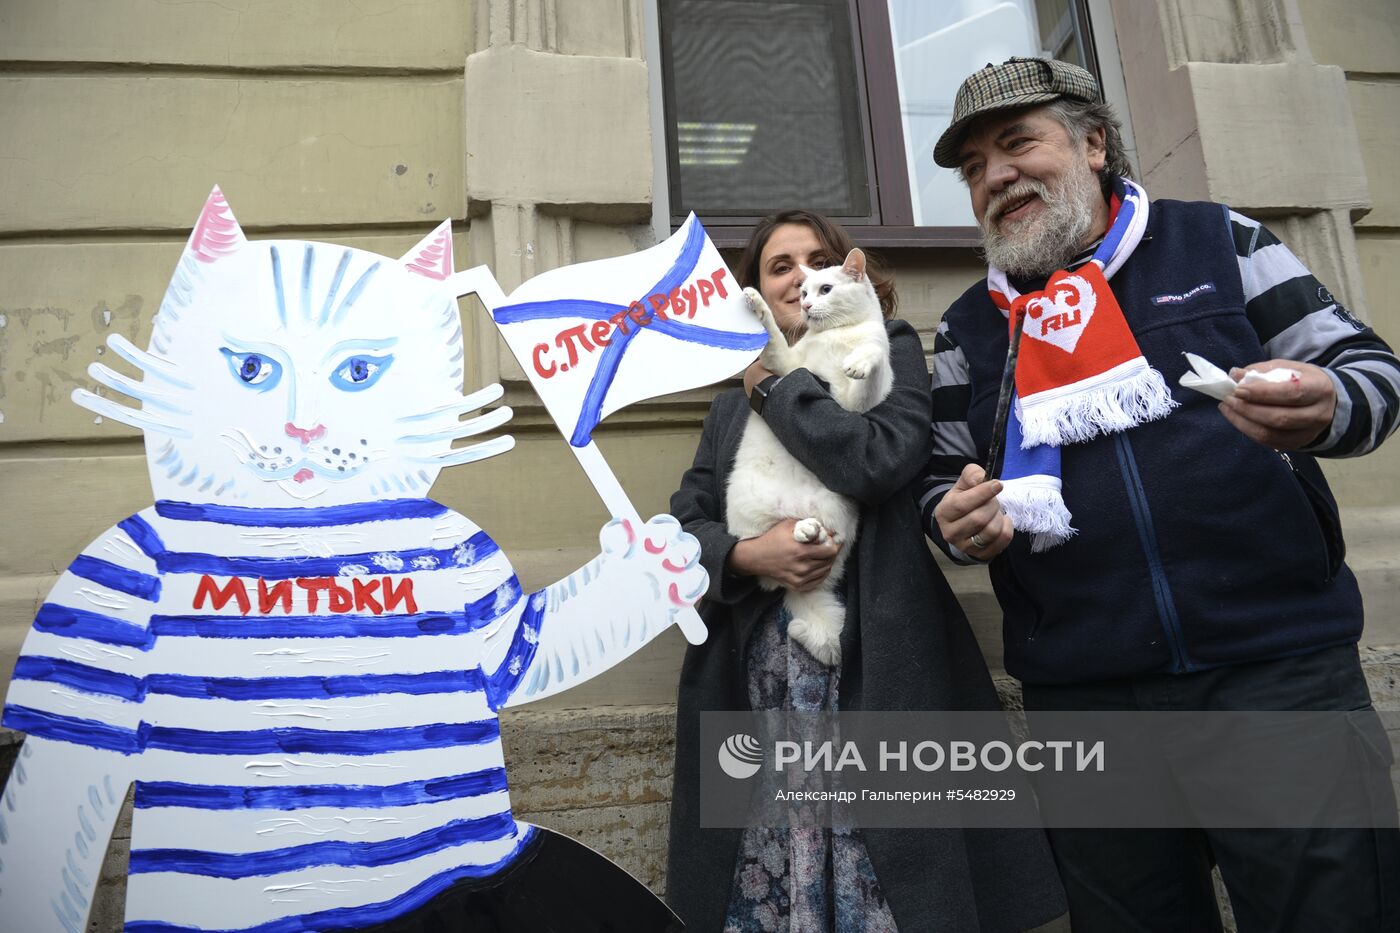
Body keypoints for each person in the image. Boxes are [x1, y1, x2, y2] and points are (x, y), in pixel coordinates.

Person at [919, 56, 1400, 932]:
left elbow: (1370, 371)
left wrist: (1328, 404)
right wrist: (952, 522)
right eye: (974, 166)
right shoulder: (964, 327)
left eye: (1017, 143)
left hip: (1278, 677)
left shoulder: (1221, 241)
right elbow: (935, 480)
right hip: (1087, 704)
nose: (996, 177)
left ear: (1094, 142)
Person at [665, 209, 1066, 932]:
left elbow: (879, 458)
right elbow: (684, 525)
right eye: (778, 266)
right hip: (759, 684)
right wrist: (750, 554)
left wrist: (776, 388)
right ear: (756, 291)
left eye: (814, 259)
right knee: (764, 879)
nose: (798, 277)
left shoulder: (892, 349)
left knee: (893, 884)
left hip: (878, 666)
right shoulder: (728, 406)